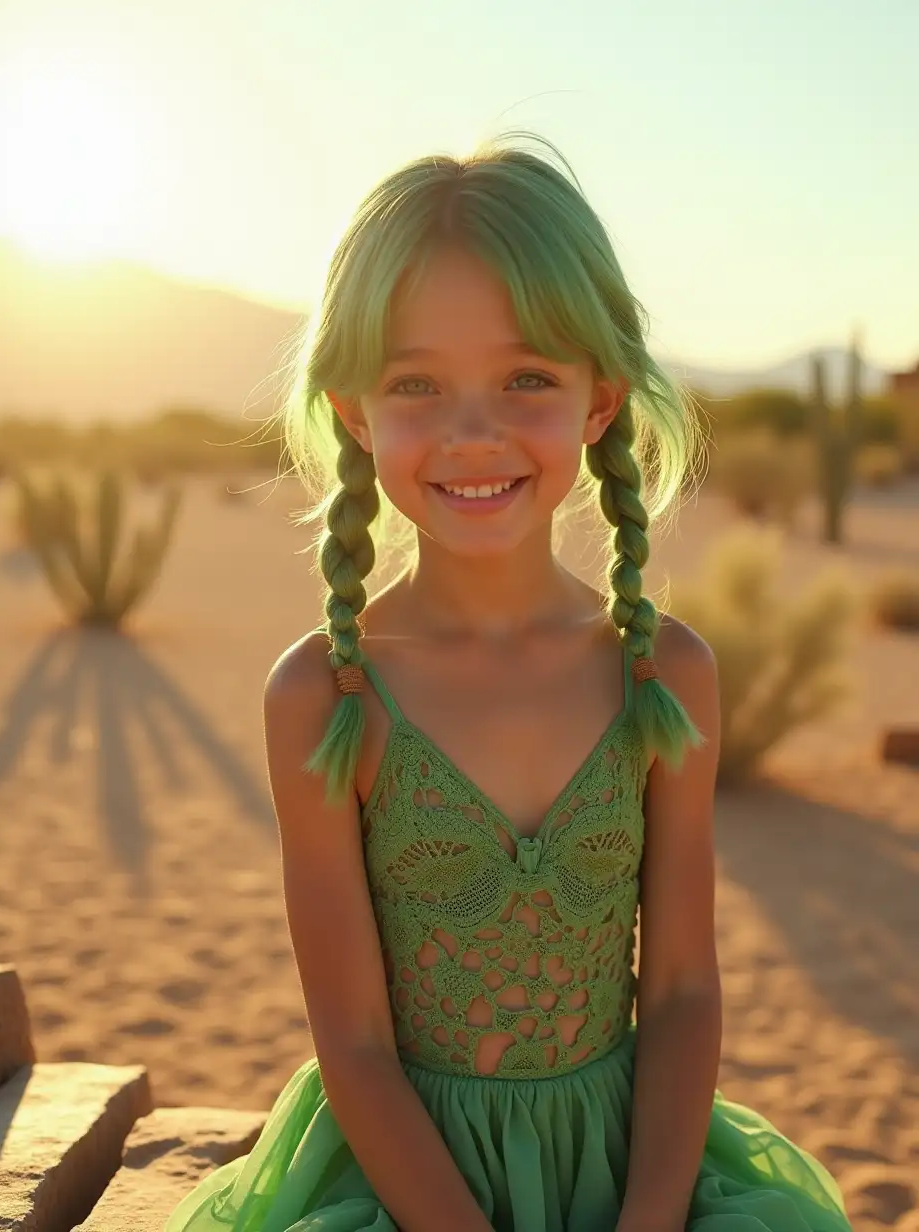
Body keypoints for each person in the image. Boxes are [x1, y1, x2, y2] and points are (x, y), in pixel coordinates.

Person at [164, 135, 852, 1232]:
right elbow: (352, 1040)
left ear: (597, 399)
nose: (471, 430)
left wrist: (653, 1215)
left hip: (638, 1176)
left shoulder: (662, 675)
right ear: (355, 410)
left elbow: (677, 990)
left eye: (526, 376)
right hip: (410, 1190)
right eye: (416, 383)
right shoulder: (327, 696)